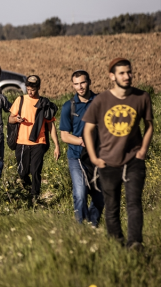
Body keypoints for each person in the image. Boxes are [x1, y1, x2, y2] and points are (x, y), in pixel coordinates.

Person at [83, 58, 154, 249]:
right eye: (122, 73)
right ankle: (117, 244)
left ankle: (135, 244)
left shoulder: (142, 97)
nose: (127, 76)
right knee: (112, 207)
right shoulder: (101, 100)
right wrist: (94, 157)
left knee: (134, 203)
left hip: (134, 160)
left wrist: (143, 151)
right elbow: (87, 130)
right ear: (112, 76)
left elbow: (149, 126)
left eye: (129, 72)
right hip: (107, 162)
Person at [60, 70, 104, 227]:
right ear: (73, 85)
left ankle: (92, 225)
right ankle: (81, 229)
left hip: (99, 156)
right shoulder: (69, 106)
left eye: (83, 83)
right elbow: (65, 136)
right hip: (77, 156)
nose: (80, 87)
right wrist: (82, 141)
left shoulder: (101, 101)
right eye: (76, 84)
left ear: (89, 82)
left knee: (100, 196)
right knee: (80, 193)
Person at [9, 75, 60, 203]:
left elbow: (51, 125)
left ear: (38, 88)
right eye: (28, 88)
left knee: (35, 171)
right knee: (22, 172)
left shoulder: (44, 103)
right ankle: (27, 192)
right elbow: (10, 118)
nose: (30, 92)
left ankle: (34, 198)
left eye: (33, 89)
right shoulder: (20, 100)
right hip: (21, 141)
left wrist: (56, 145)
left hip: (39, 141)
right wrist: (16, 119)